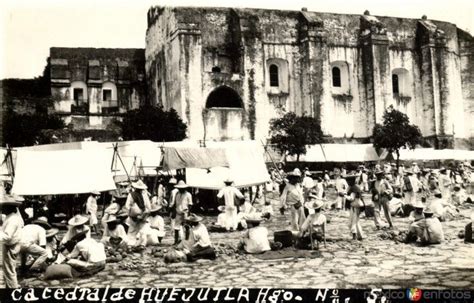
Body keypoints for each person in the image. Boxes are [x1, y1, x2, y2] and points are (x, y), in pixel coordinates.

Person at [0, 195, 24, 288]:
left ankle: (13, 289)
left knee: (9, 271)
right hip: (12, 245)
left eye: (3, 207)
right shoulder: (10, 217)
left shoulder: (12, 220)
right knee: (8, 269)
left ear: (9, 208)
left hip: (11, 246)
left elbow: (7, 236)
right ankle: (9, 288)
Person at [124, 180, 152, 245]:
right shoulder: (144, 195)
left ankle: (132, 244)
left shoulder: (132, 195)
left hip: (137, 215)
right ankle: (139, 244)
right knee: (141, 230)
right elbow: (149, 207)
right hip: (140, 215)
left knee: (134, 231)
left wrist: (130, 213)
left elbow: (127, 206)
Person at [172, 180, 193, 244]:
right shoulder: (177, 194)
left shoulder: (188, 194)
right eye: (179, 188)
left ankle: (187, 240)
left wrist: (189, 213)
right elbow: (175, 203)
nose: (180, 189)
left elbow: (190, 204)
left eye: (182, 188)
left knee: (186, 226)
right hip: (178, 212)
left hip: (185, 212)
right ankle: (176, 241)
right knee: (176, 227)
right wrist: (174, 212)